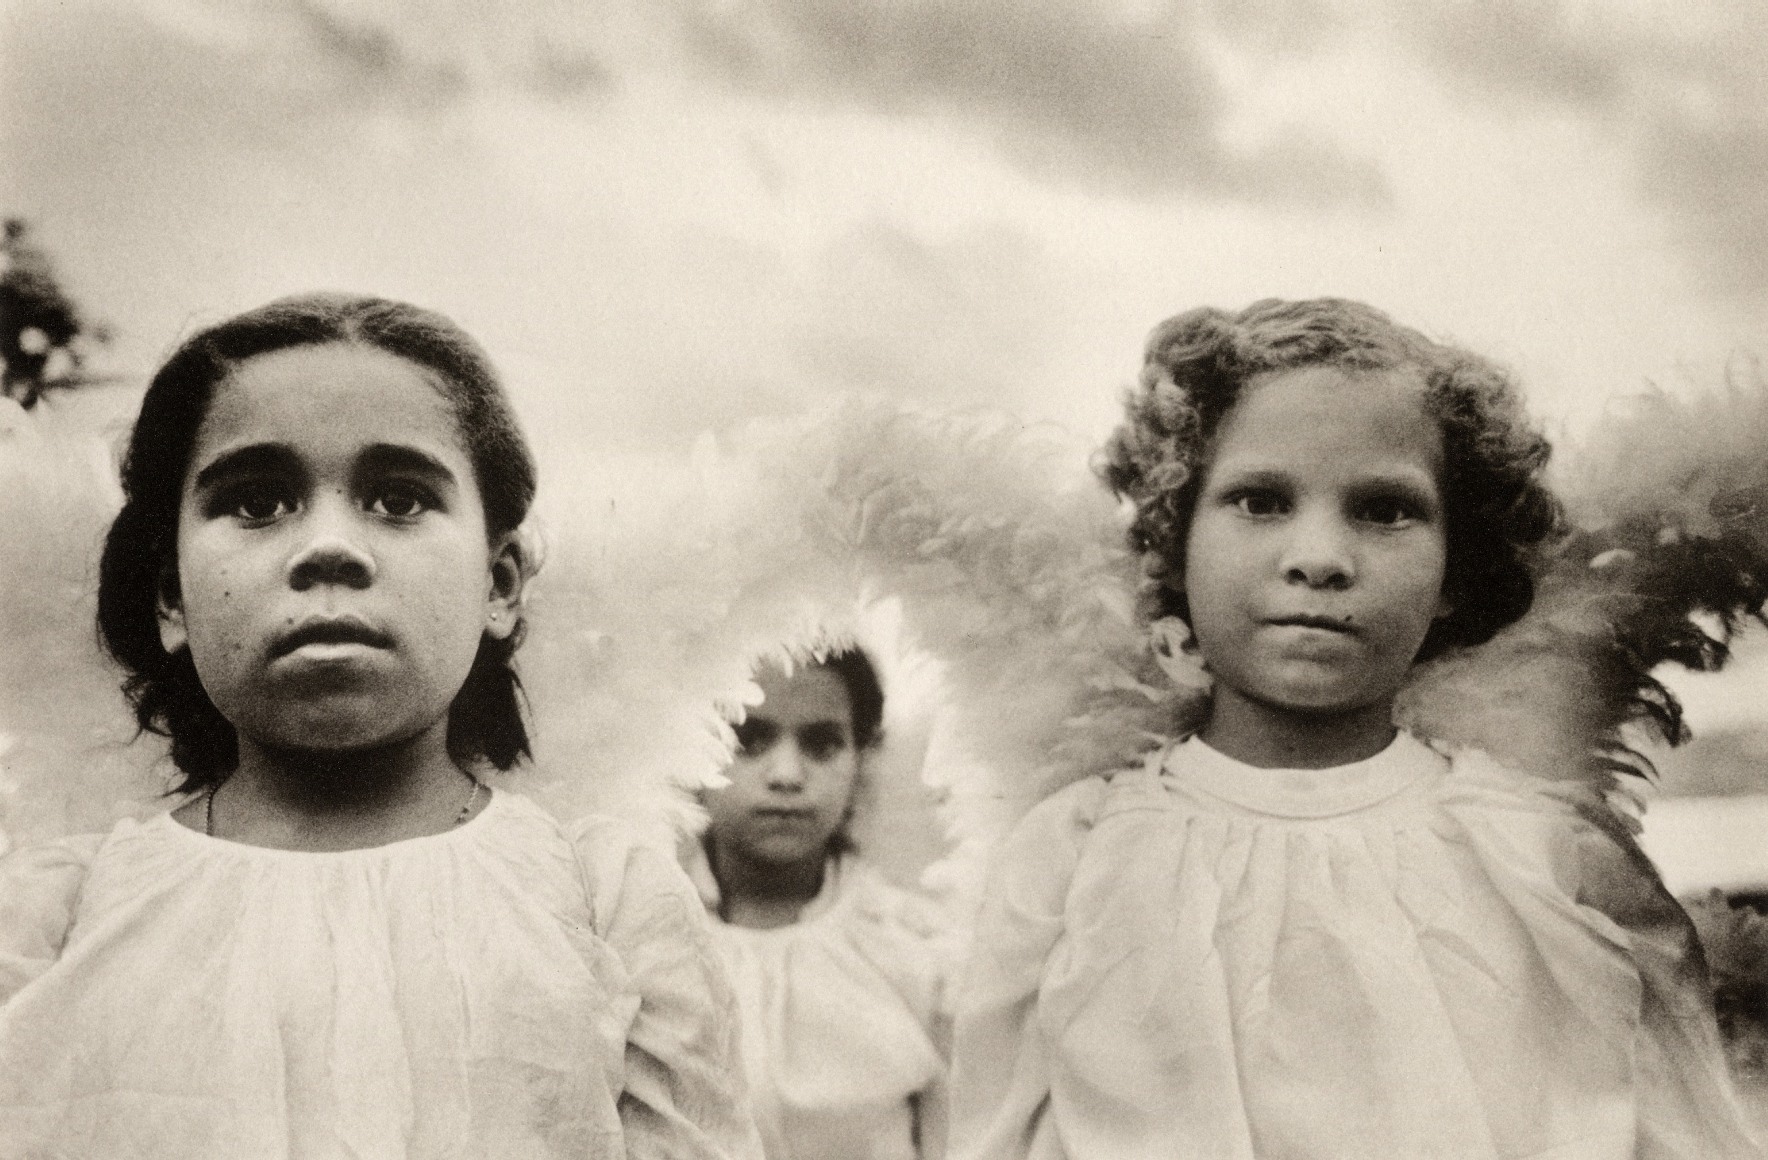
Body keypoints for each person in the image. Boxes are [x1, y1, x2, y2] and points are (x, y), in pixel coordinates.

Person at [947, 298, 1760, 1158]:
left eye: (1384, 509)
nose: (1320, 559)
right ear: (1175, 544)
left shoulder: (1548, 859)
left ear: (1456, 572)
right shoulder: (1074, 857)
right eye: (1260, 500)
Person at [0, 294, 758, 1158]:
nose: (329, 547)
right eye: (257, 503)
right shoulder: (55, 917)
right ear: (172, 595)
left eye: (399, 500)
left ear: (498, 585)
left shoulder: (607, 901)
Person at [689, 649, 948, 1159]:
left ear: (861, 759)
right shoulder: (642, 938)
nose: (787, 774)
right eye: (748, 740)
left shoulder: (918, 948)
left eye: (822, 744)